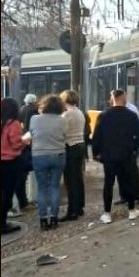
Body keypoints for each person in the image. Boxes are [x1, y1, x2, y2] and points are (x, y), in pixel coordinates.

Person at [91, 89, 139, 224]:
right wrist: (134, 150)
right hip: (126, 155)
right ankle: (131, 210)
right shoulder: (131, 115)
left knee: (108, 183)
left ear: (112, 99)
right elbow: (138, 134)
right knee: (128, 181)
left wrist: (96, 153)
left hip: (109, 155)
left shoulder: (103, 116)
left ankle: (107, 213)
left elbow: (96, 137)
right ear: (123, 98)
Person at [29, 95, 67, 230]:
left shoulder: (34, 119)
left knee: (42, 188)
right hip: (58, 154)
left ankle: (43, 220)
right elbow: (65, 136)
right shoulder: (62, 120)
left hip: (39, 155)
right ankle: (54, 219)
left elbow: (32, 134)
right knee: (55, 187)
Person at [0, 98, 27, 235]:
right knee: (7, 193)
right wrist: (25, 141)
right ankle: (3, 224)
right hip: (11, 162)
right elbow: (16, 143)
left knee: (0, 192)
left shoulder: (0, 123)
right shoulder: (13, 123)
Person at [59, 90, 88, 220]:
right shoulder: (79, 112)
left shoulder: (66, 115)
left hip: (70, 146)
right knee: (78, 178)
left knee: (70, 180)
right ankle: (80, 207)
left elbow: (61, 132)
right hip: (80, 145)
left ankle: (72, 211)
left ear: (64, 100)